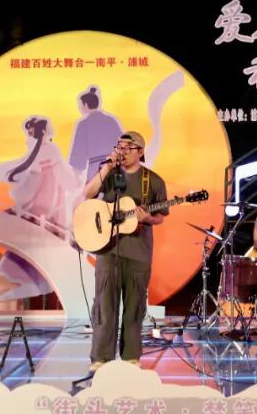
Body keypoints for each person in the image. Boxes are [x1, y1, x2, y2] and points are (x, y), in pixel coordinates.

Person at [82, 131, 168, 370]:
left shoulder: (153, 181)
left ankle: (131, 356)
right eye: (119, 146)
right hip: (107, 249)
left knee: (134, 307)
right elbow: (87, 194)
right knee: (105, 305)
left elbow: (160, 217)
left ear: (140, 152)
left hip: (138, 252)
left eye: (128, 147)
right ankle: (101, 358)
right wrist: (107, 168)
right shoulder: (109, 174)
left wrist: (147, 218)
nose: (122, 151)